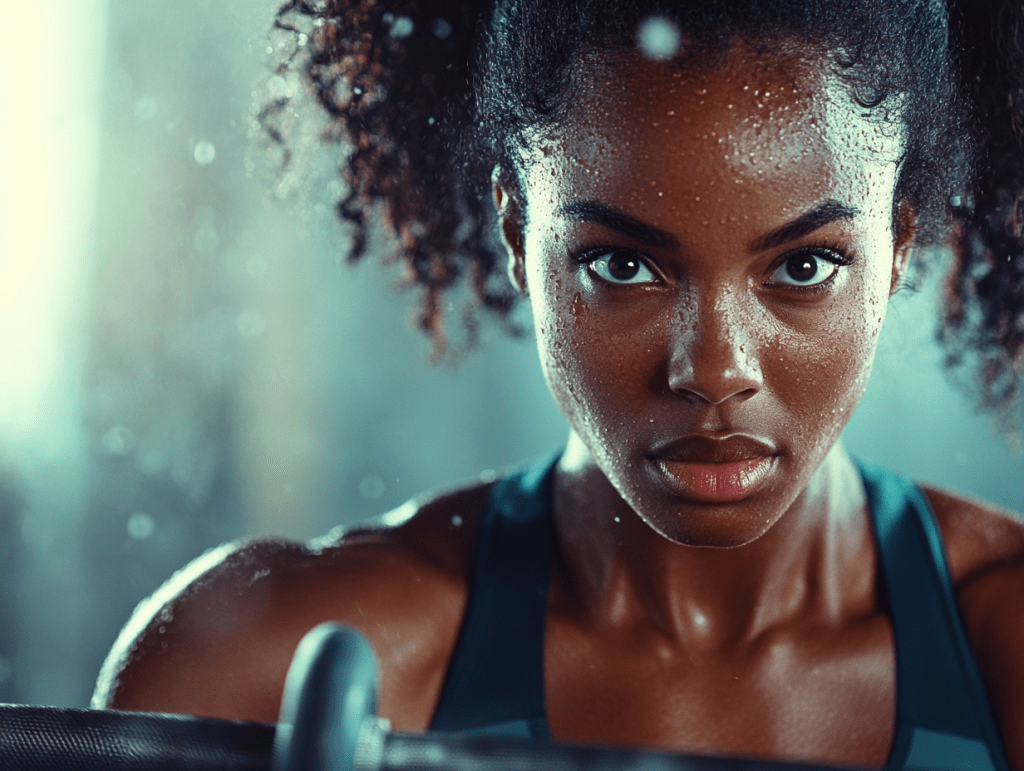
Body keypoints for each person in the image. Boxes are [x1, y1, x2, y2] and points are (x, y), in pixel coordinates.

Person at [93, 0, 1024, 768]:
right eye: (623, 266)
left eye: (806, 267)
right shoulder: (249, 668)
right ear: (515, 234)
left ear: (897, 244)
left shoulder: (1005, 644)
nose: (712, 371)